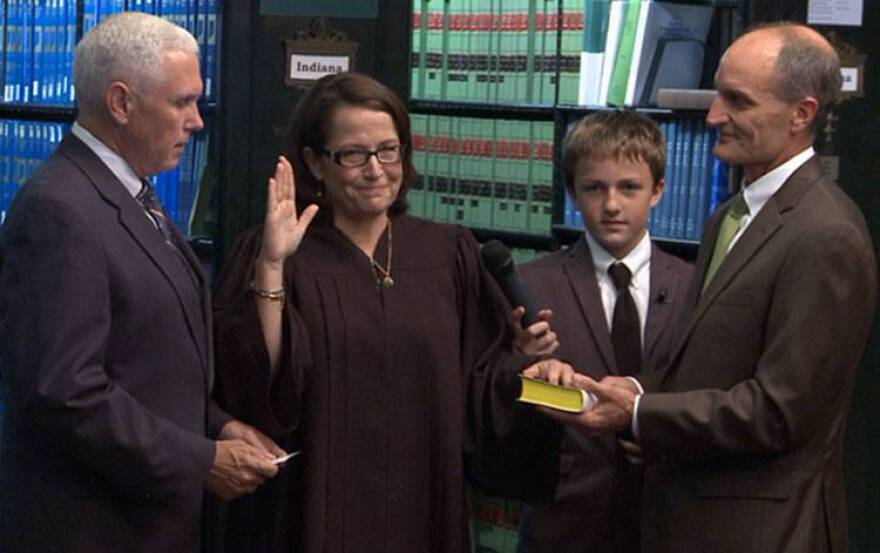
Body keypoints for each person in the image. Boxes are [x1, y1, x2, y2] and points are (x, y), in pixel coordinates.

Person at [530, 23, 877, 552]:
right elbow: (708, 365)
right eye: (719, 94)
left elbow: (780, 413)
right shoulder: (729, 217)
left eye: (737, 100)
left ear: (801, 114)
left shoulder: (825, 234)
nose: (714, 115)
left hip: (760, 533)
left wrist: (640, 414)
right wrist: (635, 391)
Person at [212, 71, 566, 553]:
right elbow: (259, 386)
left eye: (389, 149)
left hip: (423, 507)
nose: (376, 169)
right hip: (312, 509)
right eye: (354, 154)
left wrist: (533, 372)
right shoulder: (276, 250)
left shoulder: (448, 252)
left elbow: (482, 382)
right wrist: (273, 266)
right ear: (315, 162)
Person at [0, 13, 282, 553]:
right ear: (121, 103)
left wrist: (214, 425)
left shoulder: (129, 190)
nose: (197, 121)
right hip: (93, 530)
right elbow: (63, 392)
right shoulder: (60, 210)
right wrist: (200, 460)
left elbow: (143, 364)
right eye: (182, 102)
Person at [510, 111, 691, 553]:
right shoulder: (531, 284)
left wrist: (661, 427)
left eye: (629, 187)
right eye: (595, 188)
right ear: (572, 192)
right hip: (565, 522)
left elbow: (708, 389)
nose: (612, 205)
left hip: (669, 515)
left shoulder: (695, 287)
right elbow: (502, 398)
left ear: (658, 191)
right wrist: (529, 370)